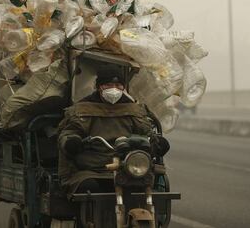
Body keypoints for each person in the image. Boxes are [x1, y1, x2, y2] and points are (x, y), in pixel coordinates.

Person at [57, 65, 169, 194]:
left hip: (127, 167)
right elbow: (69, 132)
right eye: (108, 85)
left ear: (124, 88)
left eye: (118, 85)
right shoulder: (82, 109)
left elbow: (147, 133)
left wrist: (158, 143)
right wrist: (72, 142)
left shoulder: (134, 110)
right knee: (88, 187)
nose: (114, 89)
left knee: (144, 186)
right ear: (99, 86)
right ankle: (90, 214)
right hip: (90, 169)